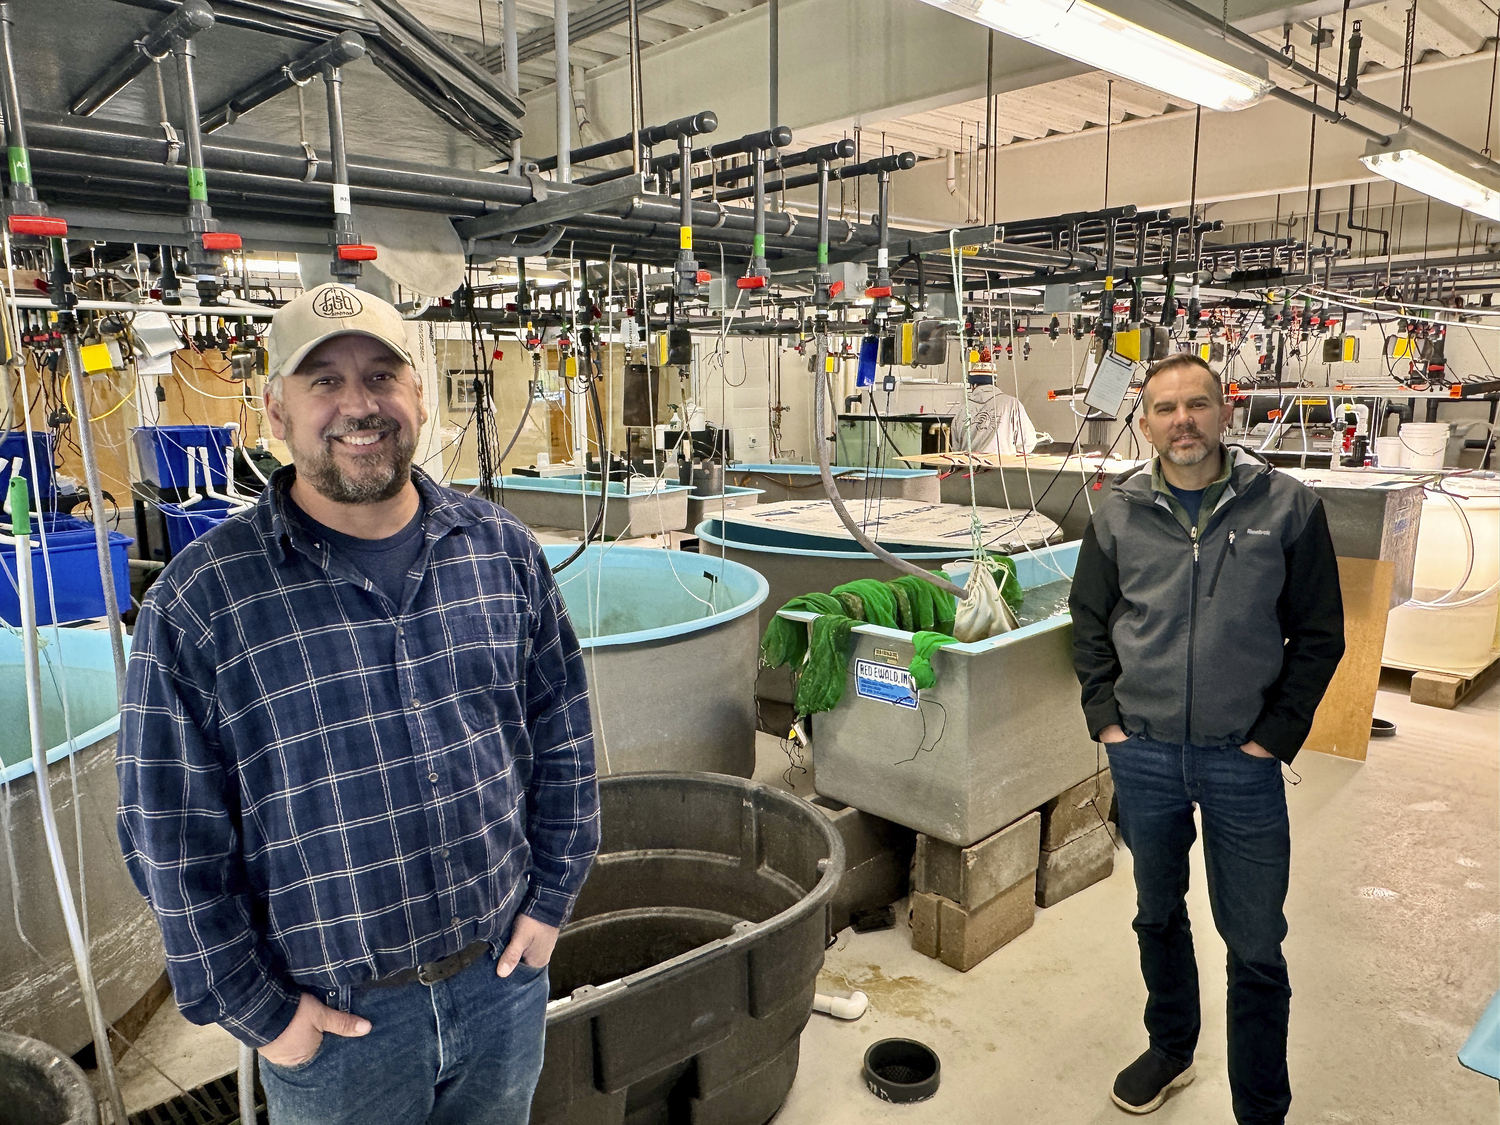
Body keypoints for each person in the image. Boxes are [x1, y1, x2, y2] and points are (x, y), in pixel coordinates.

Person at [118, 283, 600, 1125]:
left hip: (500, 984)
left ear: (417, 396)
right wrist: (268, 1018)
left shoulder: (502, 553)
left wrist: (553, 898)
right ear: (275, 411)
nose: (358, 405)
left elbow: (563, 737)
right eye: (324, 382)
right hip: (337, 1025)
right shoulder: (202, 603)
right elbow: (167, 837)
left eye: (381, 377)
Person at [1067, 353, 1345, 1123]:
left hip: (1241, 760)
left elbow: (1320, 634)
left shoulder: (1286, 506)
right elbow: (1088, 624)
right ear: (1146, 420)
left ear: (1226, 411)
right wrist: (1109, 723)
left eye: (1197, 404)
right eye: (1164, 408)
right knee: (1157, 912)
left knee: (1255, 942)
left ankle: (1261, 1109)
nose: (1181, 420)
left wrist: (1272, 738)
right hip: (1145, 754)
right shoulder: (1117, 512)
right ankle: (1171, 1046)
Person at [950, 369, 1044, 456]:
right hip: (1002, 470)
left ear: (972, 386)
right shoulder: (1011, 404)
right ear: (994, 382)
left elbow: (956, 449)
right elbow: (1028, 442)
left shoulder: (961, 410)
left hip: (970, 471)